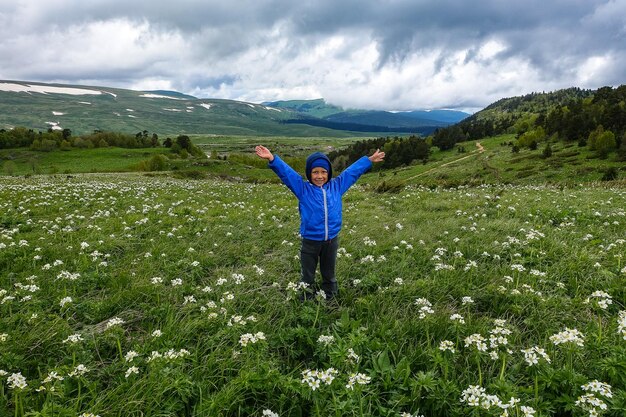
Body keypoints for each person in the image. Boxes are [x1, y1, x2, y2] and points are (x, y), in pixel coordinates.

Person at [255, 145, 385, 301]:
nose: (320, 176)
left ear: (328, 173)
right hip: (310, 241)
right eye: (315, 172)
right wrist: (272, 159)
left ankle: (330, 298)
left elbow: (351, 173)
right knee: (307, 274)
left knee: (329, 274)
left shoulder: (337, 186)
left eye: (324, 172)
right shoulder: (303, 189)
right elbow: (287, 174)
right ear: (309, 174)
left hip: (331, 240)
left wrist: (368, 160)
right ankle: (305, 298)